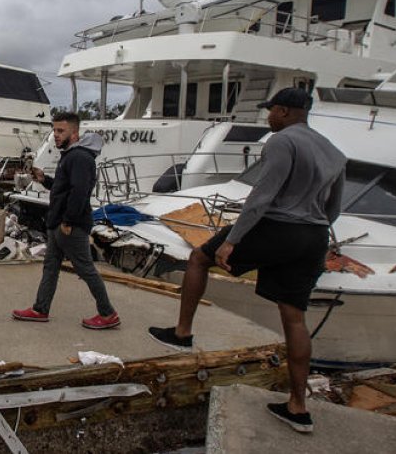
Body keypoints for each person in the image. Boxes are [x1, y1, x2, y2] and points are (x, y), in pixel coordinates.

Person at [148, 87, 346, 434]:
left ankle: (182, 333)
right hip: (313, 235)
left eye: (271, 111)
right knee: (294, 316)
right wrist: (315, 234)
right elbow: (333, 209)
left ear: (284, 111)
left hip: (277, 225)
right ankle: (298, 407)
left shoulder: (281, 142)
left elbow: (261, 197)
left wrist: (233, 241)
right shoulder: (334, 151)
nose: (268, 117)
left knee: (198, 258)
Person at [12, 112, 120, 330]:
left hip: (70, 226)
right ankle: (40, 309)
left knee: (86, 269)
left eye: (60, 131)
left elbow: (79, 192)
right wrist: (45, 180)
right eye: (54, 130)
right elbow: (63, 189)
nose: (56, 135)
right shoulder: (71, 156)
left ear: (74, 132)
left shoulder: (80, 158)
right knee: (50, 267)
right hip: (58, 224)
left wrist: (68, 222)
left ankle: (108, 313)